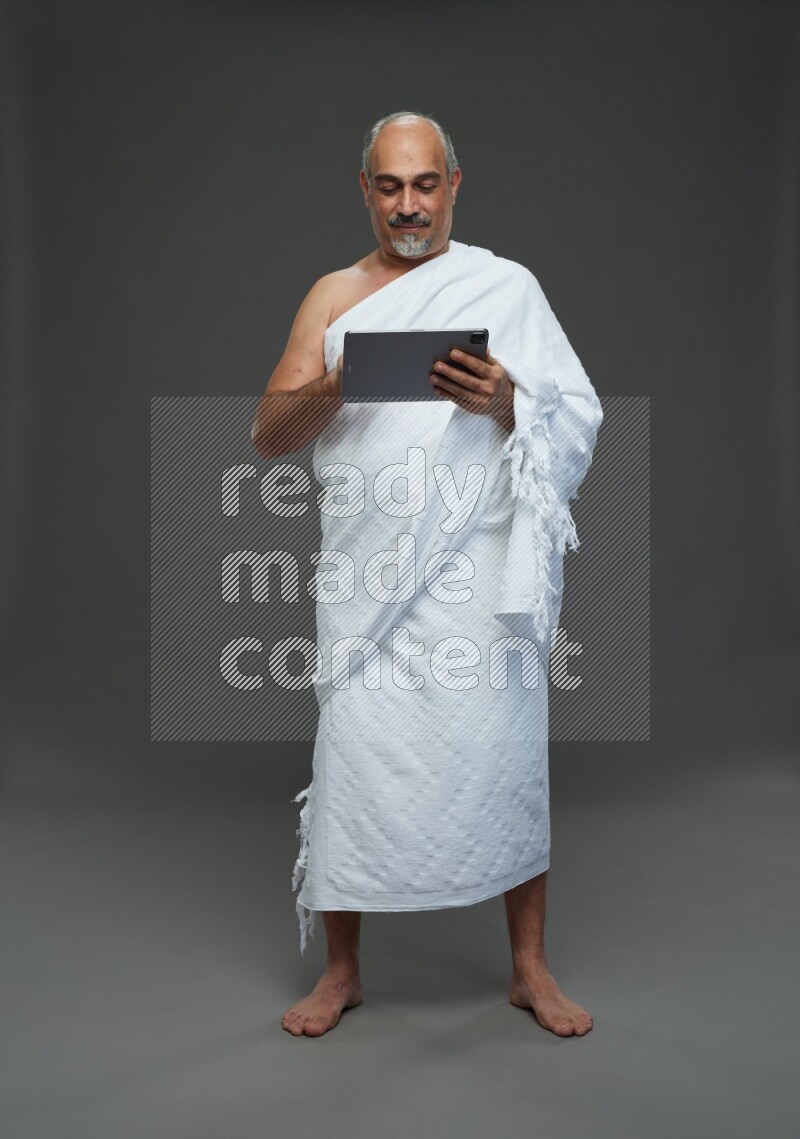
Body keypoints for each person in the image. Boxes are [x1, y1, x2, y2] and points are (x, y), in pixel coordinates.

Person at [252, 111, 602, 1038]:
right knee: (354, 758)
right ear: (364, 190)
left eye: (425, 184)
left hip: (478, 578)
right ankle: (341, 972)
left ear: (455, 182)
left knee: (506, 751)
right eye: (389, 186)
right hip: (368, 580)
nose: (409, 206)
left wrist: (509, 401)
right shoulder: (333, 296)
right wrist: (341, 380)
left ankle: (530, 968)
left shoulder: (508, 287)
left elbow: (578, 417)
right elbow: (269, 436)